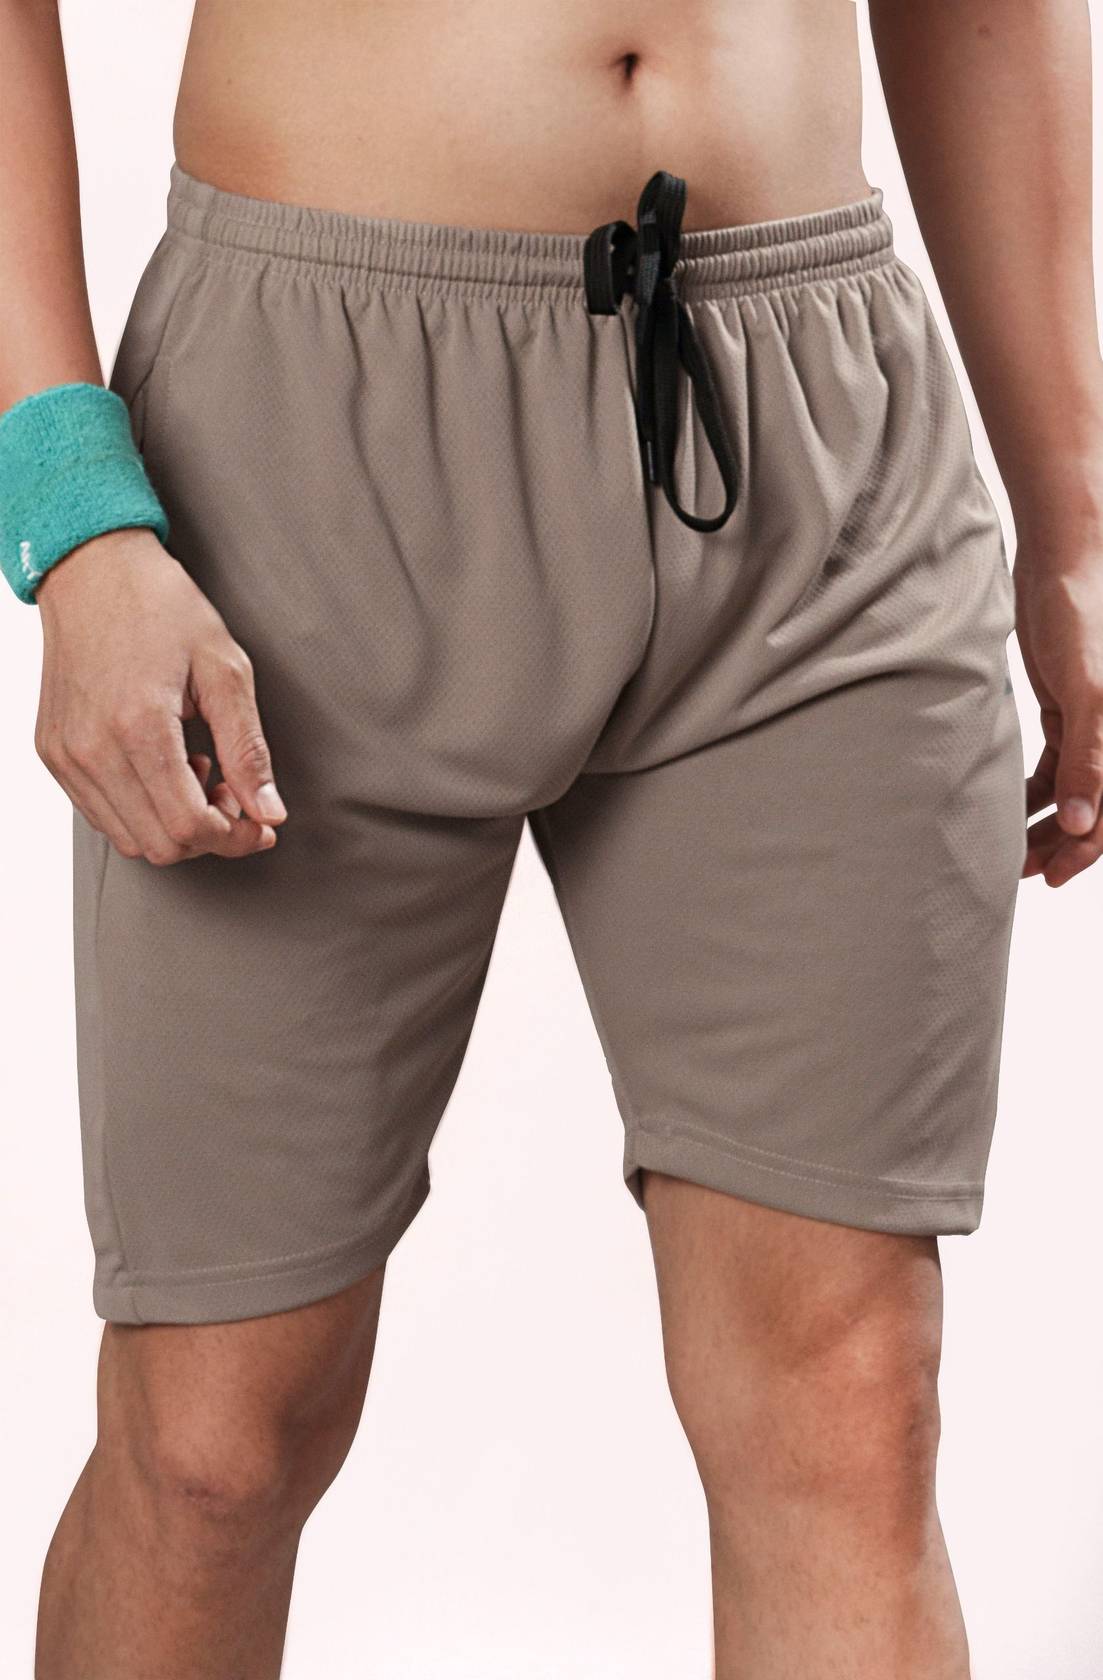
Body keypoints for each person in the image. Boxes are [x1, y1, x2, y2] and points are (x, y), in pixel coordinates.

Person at [2, 1, 1100, 1675]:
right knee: (214, 1438)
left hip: (816, 457)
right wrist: (68, 503)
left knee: (851, 1410)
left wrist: (1072, 520)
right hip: (304, 448)